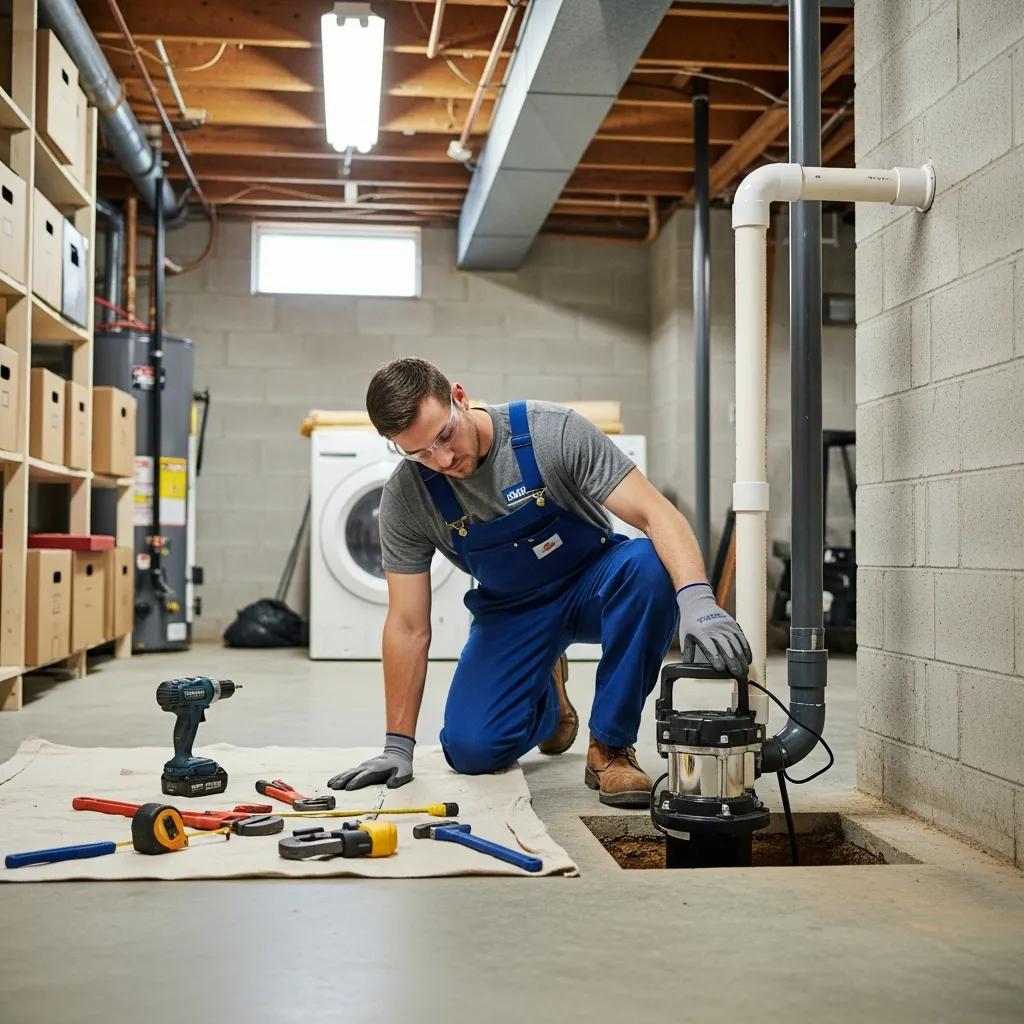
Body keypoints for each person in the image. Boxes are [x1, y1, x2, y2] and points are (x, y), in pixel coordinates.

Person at [328, 358, 751, 807]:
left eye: (445, 435)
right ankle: (549, 705)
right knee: (471, 751)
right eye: (419, 453)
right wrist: (398, 744)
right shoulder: (407, 497)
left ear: (459, 397)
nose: (443, 460)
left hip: (595, 585)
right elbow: (408, 624)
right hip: (513, 609)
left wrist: (697, 598)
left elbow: (655, 513)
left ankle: (610, 748)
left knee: (647, 565)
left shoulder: (551, 433)